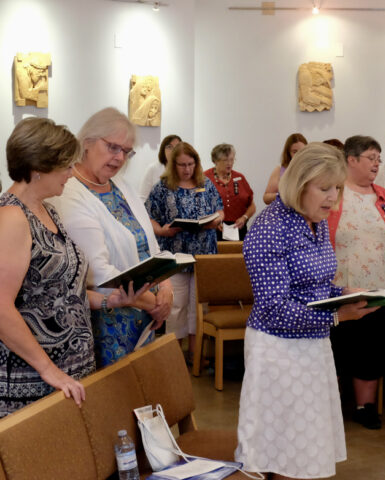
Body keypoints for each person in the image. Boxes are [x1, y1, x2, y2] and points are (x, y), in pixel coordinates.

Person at [234, 143, 378, 479]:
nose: (333, 198)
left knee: (306, 449)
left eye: (338, 188)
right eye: (324, 188)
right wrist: (338, 315)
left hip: (312, 346)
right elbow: (274, 309)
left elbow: (315, 284)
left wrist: (343, 294)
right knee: (280, 453)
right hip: (277, 350)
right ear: (300, 185)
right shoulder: (269, 228)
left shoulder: (314, 221)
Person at [0, 117, 150, 417]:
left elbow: (65, 293)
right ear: (38, 167)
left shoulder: (49, 210)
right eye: (66, 165)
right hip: (34, 378)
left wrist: (112, 300)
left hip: (72, 369)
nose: (71, 173)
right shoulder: (12, 218)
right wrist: (49, 370)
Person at [50, 107, 173, 367]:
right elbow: (99, 273)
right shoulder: (69, 192)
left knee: (143, 398)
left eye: (126, 152)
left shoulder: (122, 187)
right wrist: (154, 303)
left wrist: (167, 289)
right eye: (113, 148)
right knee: (115, 401)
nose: (119, 158)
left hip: (144, 316)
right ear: (87, 143)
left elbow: (151, 247)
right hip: (107, 322)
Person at [327, 135, 385, 430]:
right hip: (338, 289)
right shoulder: (332, 194)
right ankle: (329, 406)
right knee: (336, 348)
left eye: (379, 159)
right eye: (371, 158)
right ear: (350, 160)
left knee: (371, 348)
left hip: (379, 288)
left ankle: (365, 407)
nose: (377, 164)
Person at [146, 142, 224, 359]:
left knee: (198, 305)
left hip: (203, 253)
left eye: (190, 164)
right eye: (181, 165)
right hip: (175, 253)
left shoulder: (206, 184)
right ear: (173, 165)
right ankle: (175, 355)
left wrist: (216, 219)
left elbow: (220, 210)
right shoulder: (163, 187)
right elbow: (148, 216)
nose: (187, 169)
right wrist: (161, 230)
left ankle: (195, 352)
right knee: (177, 305)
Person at [205, 143, 255, 240]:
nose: (229, 163)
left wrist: (244, 217)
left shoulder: (239, 177)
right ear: (215, 161)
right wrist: (213, 222)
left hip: (239, 228)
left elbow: (252, 205)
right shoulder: (205, 178)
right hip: (213, 230)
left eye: (232, 159)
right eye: (225, 160)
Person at [263, 133, 307, 204]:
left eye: (302, 151)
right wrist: (282, 195)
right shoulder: (280, 170)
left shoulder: (312, 170)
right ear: (288, 153)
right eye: (295, 152)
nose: (299, 154)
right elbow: (266, 198)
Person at [138, 134, 181, 202]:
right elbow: (143, 197)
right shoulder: (153, 168)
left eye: (177, 147)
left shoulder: (185, 169)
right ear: (163, 150)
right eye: (169, 147)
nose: (173, 150)